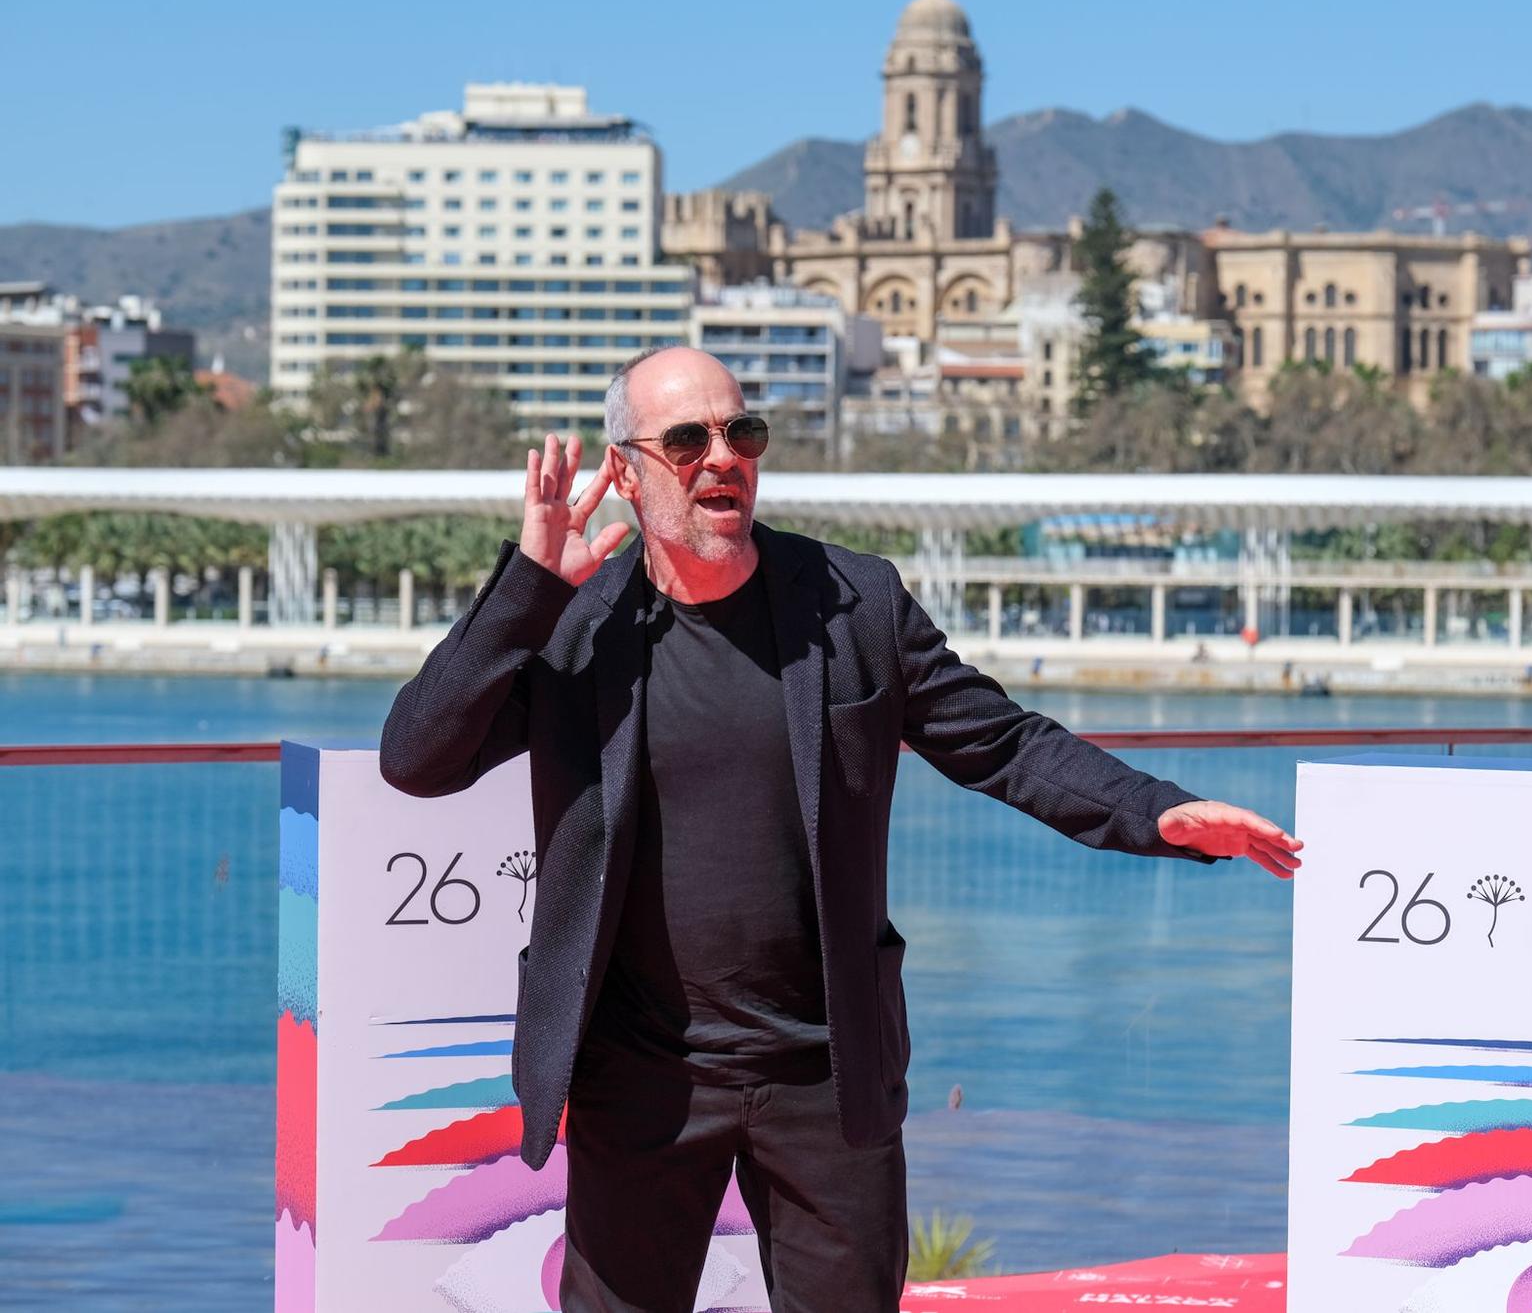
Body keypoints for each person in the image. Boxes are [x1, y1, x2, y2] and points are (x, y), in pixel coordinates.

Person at [379, 347, 1304, 1313]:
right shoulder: (576, 625)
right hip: (640, 1076)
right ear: (628, 468)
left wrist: (1157, 810)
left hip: (826, 1073)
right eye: (687, 439)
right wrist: (527, 589)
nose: (720, 458)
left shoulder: (853, 604)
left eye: (742, 433)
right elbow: (417, 756)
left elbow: (1004, 743)